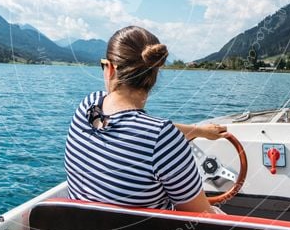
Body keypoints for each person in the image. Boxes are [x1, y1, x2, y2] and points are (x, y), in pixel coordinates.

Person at [65, 25, 228, 213]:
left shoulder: (87, 107)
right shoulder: (162, 138)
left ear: (110, 69)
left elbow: (133, 129)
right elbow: (200, 217)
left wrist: (200, 132)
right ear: (154, 74)